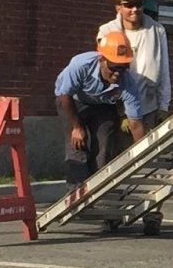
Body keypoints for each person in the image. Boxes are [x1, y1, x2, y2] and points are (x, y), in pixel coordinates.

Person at [55, 33, 149, 192]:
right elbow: (65, 95)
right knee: (78, 147)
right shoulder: (81, 65)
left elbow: (136, 124)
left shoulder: (127, 82)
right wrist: (77, 127)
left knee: (104, 147)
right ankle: (76, 195)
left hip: (103, 105)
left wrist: (146, 152)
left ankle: (99, 193)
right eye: (114, 67)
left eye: (123, 67)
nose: (118, 73)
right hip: (73, 102)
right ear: (101, 61)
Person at [106, 0, 170, 125]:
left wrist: (164, 106)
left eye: (139, 3)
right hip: (117, 110)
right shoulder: (108, 32)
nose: (135, 9)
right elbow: (106, 73)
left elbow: (164, 71)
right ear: (118, 7)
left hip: (149, 108)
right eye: (129, 5)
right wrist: (121, 113)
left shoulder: (157, 31)